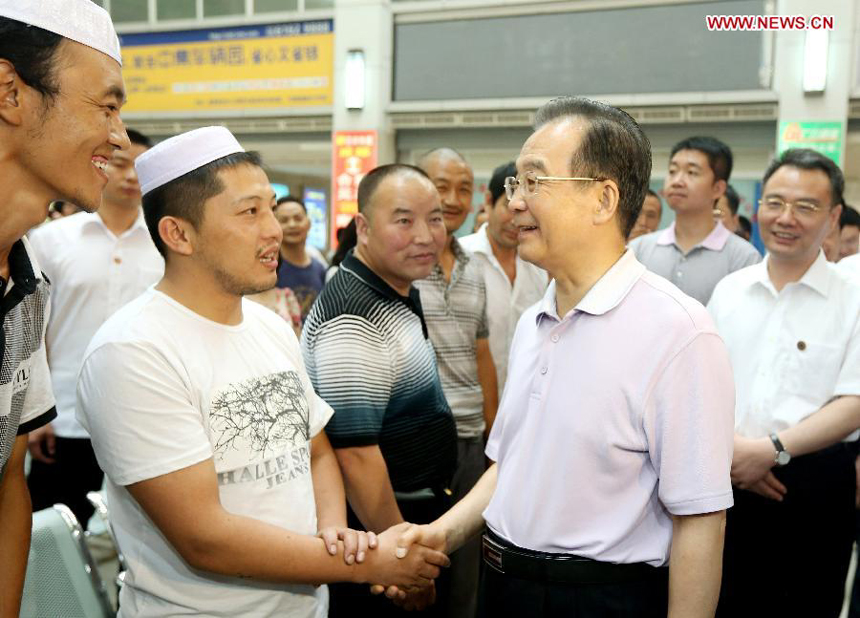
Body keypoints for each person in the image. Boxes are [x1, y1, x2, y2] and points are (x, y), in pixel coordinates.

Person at [76, 128, 448, 617]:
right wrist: (364, 564)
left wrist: (333, 533)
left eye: (271, 207)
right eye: (250, 212)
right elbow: (204, 539)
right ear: (178, 234)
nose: (273, 228)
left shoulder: (269, 327)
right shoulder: (133, 351)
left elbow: (315, 452)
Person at [387, 96, 735, 618]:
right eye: (514, 185)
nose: (516, 203)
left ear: (603, 199)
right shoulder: (535, 321)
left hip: (598, 599)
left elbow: (701, 520)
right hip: (503, 588)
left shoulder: (678, 333)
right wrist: (438, 535)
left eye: (534, 182)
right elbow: (512, 464)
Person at [0, 2, 128, 614]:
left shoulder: (25, 284)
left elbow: (8, 479)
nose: (120, 137)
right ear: (9, 92)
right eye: (106, 107)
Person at [707, 149, 860, 618]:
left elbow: (854, 400)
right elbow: (703, 383)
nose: (785, 218)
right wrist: (734, 452)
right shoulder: (729, 290)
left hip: (812, 484)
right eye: (775, 202)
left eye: (806, 207)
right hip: (724, 473)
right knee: (724, 600)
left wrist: (768, 450)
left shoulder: (852, 298)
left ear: (832, 217)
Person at [302, 164, 459, 616]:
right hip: (378, 535)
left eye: (435, 218)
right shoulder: (353, 320)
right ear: (364, 228)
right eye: (404, 220)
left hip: (409, 518)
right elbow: (355, 457)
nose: (427, 236)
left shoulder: (392, 288)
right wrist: (403, 560)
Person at [25, 129, 162, 526]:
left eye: (142, 166)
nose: (132, 175)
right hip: (65, 415)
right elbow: (33, 328)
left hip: (146, 415)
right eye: (121, 163)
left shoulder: (165, 242)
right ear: (101, 163)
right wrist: (37, 415)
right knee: (57, 534)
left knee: (145, 536)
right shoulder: (52, 239)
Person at [415, 147, 499, 618]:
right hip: (419, 443)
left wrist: (494, 429)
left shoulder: (473, 265)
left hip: (470, 437)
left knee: (467, 569)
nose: (452, 198)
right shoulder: (400, 263)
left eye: (463, 188)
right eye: (440, 185)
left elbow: (481, 351)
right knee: (416, 563)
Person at [630, 136, 761, 305]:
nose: (677, 181)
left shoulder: (743, 257)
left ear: (717, 188)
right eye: (672, 171)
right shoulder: (638, 249)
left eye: (691, 172)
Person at [460, 161, 548, 398]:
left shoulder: (539, 266)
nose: (515, 221)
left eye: (527, 210)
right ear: (488, 201)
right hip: (471, 408)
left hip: (523, 403)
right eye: (509, 208)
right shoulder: (461, 259)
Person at [275, 195, 327, 321]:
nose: (292, 225)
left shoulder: (319, 269)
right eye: (284, 220)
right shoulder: (271, 268)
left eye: (298, 219)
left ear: (308, 223)